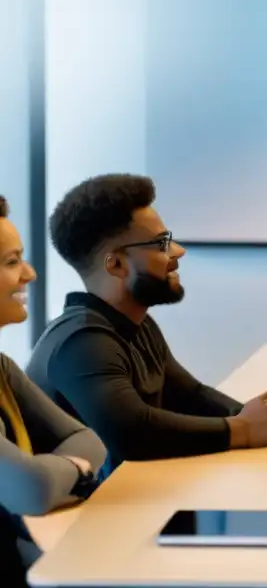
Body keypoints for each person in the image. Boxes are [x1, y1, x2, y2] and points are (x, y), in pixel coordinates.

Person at [25, 174, 267, 478]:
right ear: (115, 264)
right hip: (76, 519)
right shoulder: (82, 342)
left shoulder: (135, 325)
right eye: (161, 244)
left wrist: (263, 418)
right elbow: (133, 433)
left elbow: (191, 395)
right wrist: (243, 429)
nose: (178, 251)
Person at [0, 196, 107, 588]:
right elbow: (32, 489)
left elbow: (89, 440)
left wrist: (52, 473)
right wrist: (76, 469)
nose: (29, 274)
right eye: (12, 262)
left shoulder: (1, 368)